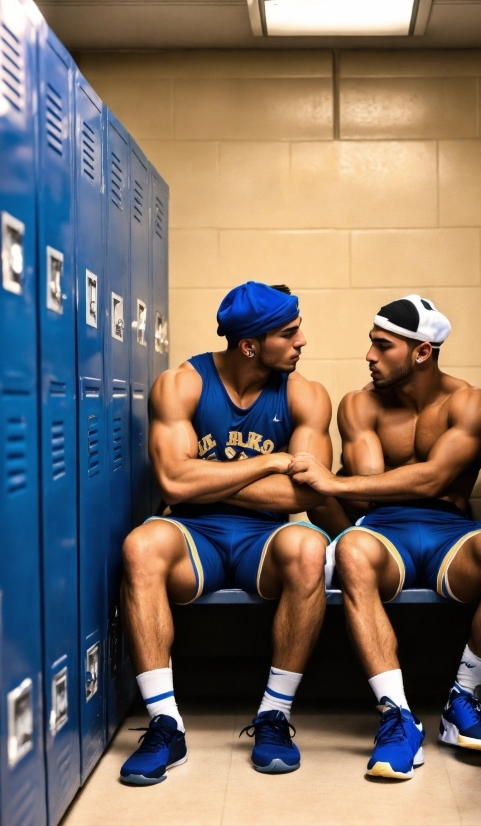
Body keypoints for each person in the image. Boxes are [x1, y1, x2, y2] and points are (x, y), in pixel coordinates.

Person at [288, 294, 481, 780]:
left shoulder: (472, 402)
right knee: (355, 551)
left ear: (422, 352)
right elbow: (370, 494)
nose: (369, 356)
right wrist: (346, 489)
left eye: (383, 347)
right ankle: (397, 717)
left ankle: (464, 700)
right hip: (383, 533)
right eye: (371, 344)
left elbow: (433, 480)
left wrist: (334, 482)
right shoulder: (360, 404)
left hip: (450, 532)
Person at [119, 282, 334, 785]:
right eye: (290, 332)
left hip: (264, 541)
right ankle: (164, 725)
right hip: (193, 538)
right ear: (250, 345)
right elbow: (172, 481)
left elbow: (306, 495)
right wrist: (267, 464)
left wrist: (206, 479)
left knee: (309, 546)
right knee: (140, 545)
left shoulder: (306, 394)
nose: (302, 340)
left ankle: (274, 716)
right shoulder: (182, 384)